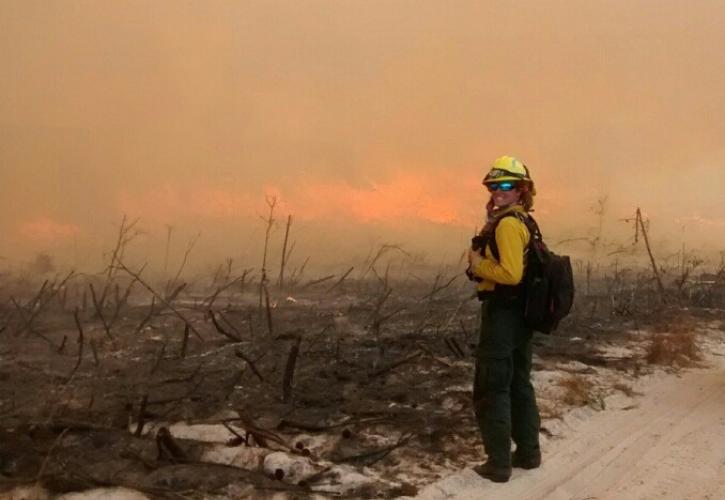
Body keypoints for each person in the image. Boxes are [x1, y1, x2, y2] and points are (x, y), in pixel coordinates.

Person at [466, 155, 542, 483]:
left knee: (492, 386)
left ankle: (498, 464)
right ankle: (528, 453)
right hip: (521, 317)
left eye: (507, 185)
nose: (499, 191)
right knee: (518, 383)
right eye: (494, 185)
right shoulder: (524, 220)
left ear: (521, 190)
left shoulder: (510, 224)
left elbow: (511, 274)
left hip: (504, 315)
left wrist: (477, 264)